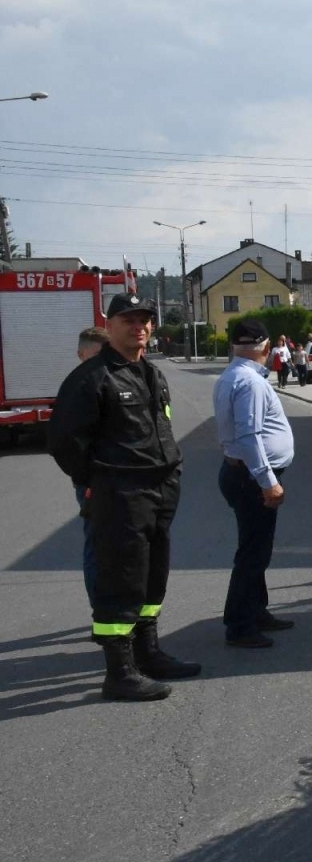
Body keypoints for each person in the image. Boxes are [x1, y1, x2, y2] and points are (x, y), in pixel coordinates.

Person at [47, 294, 199, 701]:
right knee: (121, 578)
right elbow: (63, 440)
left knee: (152, 575)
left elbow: (160, 427)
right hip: (119, 493)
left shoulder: (150, 373)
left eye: (145, 320)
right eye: (129, 320)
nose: (140, 327)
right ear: (109, 324)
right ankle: (119, 672)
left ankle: (148, 653)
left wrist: (172, 472)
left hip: (159, 489)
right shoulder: (92, 378)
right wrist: (92, 481)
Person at [213, 318, 297, 648]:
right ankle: (240, 624)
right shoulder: (250, 382)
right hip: (251, 476)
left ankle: (256, 610)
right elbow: (249, 436)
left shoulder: (231, 376)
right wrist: (268, 481)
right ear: (265, 347)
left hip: (240, 473)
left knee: (255, 548)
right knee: (253, 554)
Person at [71, 327, 111, 606]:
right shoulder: (76, 389)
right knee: (97, 546)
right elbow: (66, 444)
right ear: (81, 355)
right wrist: (87, 478)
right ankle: (100, 609)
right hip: (94, 480)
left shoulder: (110, 382)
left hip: (120, 479)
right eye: (96, 355)